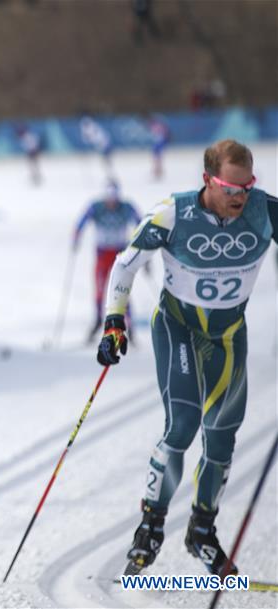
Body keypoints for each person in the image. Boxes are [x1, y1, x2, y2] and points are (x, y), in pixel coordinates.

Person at [96, 139, 278, 576]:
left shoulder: (266, 212)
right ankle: (151, 526)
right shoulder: (172, 213)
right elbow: (125, 266)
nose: (239, 196)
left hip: (228, 335)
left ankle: (201, 531)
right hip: (177, 327)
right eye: (229, 187)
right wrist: (115, 322)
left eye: (246, 187)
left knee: (221, 440)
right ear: (207, 181)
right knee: (182, 426)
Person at [73, 180, 141, 341]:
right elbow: (82, 220)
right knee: (100, 290)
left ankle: (130, 326)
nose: (111, 203)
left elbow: (141, 223)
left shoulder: (126, 207)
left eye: (114, 198)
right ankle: (97, 320)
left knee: (122, 291)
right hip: (102, 255)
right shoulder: (96, 207)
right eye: (109, 198)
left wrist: (145, 246)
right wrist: (76, 236)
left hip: (120, 256)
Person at [148, 114, 170, 180]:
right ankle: (158, 170)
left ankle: (158, 170)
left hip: (159, 143)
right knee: (157, 157)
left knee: (157, 157)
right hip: (159, 143)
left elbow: (162, 134)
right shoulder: (159, 125)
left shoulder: (155, 126)